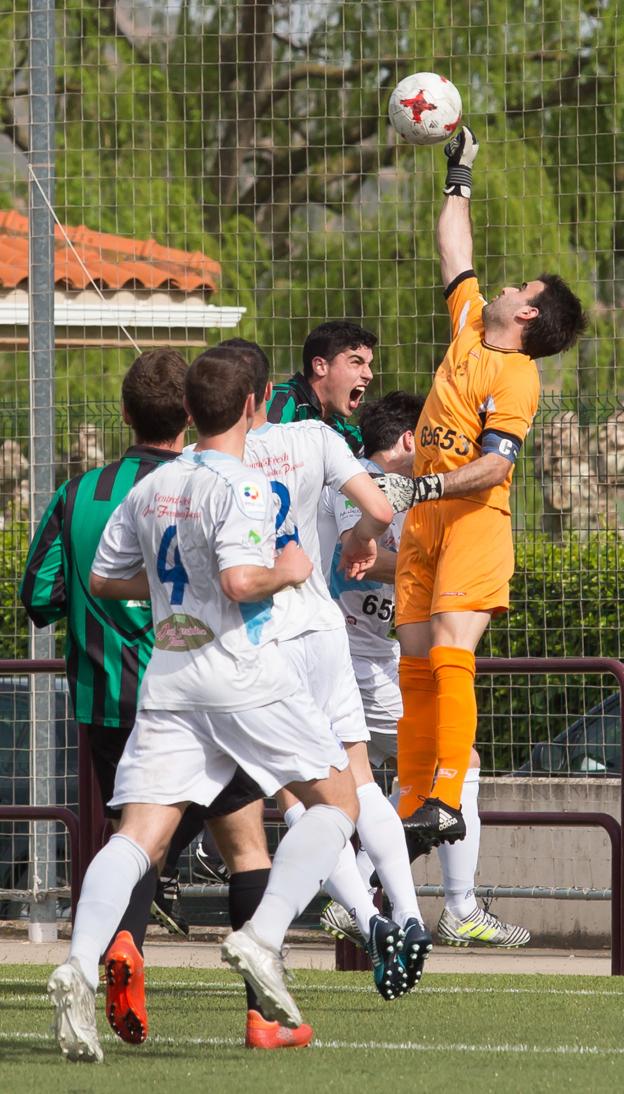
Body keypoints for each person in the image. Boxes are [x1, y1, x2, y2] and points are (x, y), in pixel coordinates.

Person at [46, 346, 361, 1063]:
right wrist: (289, 569)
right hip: (240, 673)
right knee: (337, 804)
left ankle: (77, 964)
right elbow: (243, 579)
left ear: (189, 412)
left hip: (171, 677)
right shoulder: (246, 487)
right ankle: (261, 935)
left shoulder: (152, 487)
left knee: (139, 836)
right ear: (252, 406)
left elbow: (101, 579)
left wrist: (168, 597)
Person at [375, 127, 587, 859]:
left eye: (520, 287)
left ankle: (444, 799)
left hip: (472, 521)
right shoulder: (470, 324)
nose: (505, 284)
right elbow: (454, 249)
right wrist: (458, 174)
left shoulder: (517, 376)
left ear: (527, 315)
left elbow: (496, 467)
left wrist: (421, 484)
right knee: (411, 661)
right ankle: (408, 811)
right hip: (427, 518)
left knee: (448, 652)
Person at [318, 390, 530, 948]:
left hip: (373, 655)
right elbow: (354, 560)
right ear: (413, 439)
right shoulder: (359, 480)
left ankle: (362, 895)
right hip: (349, 659)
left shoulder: (409, 497)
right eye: (436, 438)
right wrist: (453, 576)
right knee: (454, 762)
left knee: (382, 781)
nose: (444, 450)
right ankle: (447, 907)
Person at [20, 349, 206, 943]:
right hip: (193, 693)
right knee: (237, 797)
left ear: (125, 413)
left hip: (104, 695)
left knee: (131, 824)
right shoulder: (207, 488)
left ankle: (121, 945)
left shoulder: (78, 494)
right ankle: (152, 903)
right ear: (191, 414)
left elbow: (38, 597)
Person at [266, 320, 376, 453]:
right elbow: (262, 454)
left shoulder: (336, 423)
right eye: (356, 362)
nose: (369, 375)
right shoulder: (283, 399)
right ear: (320, 366)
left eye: (368, 365)